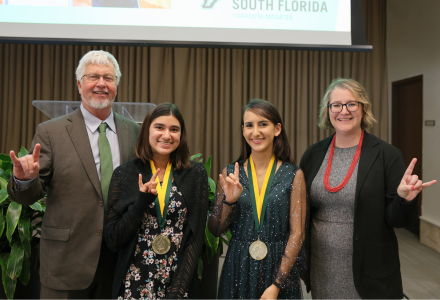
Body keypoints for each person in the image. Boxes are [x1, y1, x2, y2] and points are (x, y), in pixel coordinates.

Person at [7, 50, 140, 299]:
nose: (101, 83)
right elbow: (29, 196)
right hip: (66, 263)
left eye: (109, 78)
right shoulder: (51, 132)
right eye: (93, 77)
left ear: (116, 86)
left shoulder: (133, 131)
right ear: (79, 84)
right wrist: (25, 179)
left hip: (119, 261)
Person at [300, 78, 436, 299]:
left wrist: (404, 199)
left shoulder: (387, 155)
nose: (343, 111)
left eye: (351, 104)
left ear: (364, 108)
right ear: (328, 111)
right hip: (322, 264)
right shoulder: (313, 154)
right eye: (336, 105)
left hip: (371, 267)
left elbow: (398, 220)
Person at [104, 103, 209, 299]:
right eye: (159, 127)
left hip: (178, 281)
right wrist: (140, 204)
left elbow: (195, 239)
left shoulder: (195, 174)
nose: (167, 135)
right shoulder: (125, 175)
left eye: (174, 129)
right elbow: (113, 239)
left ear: (181, 135)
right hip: (134, 281)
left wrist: (176, 292)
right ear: (146, 131)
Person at [209, 99, 307, 299]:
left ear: (277, 129)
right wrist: (229, 200)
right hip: (238, 267)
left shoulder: (293, 175)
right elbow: (215, 229)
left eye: (263, 124)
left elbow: (297, 234)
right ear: (243, 130)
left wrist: (277, 284)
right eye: (249, 125)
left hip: (278, 269)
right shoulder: (230, 174)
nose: (256, 132)